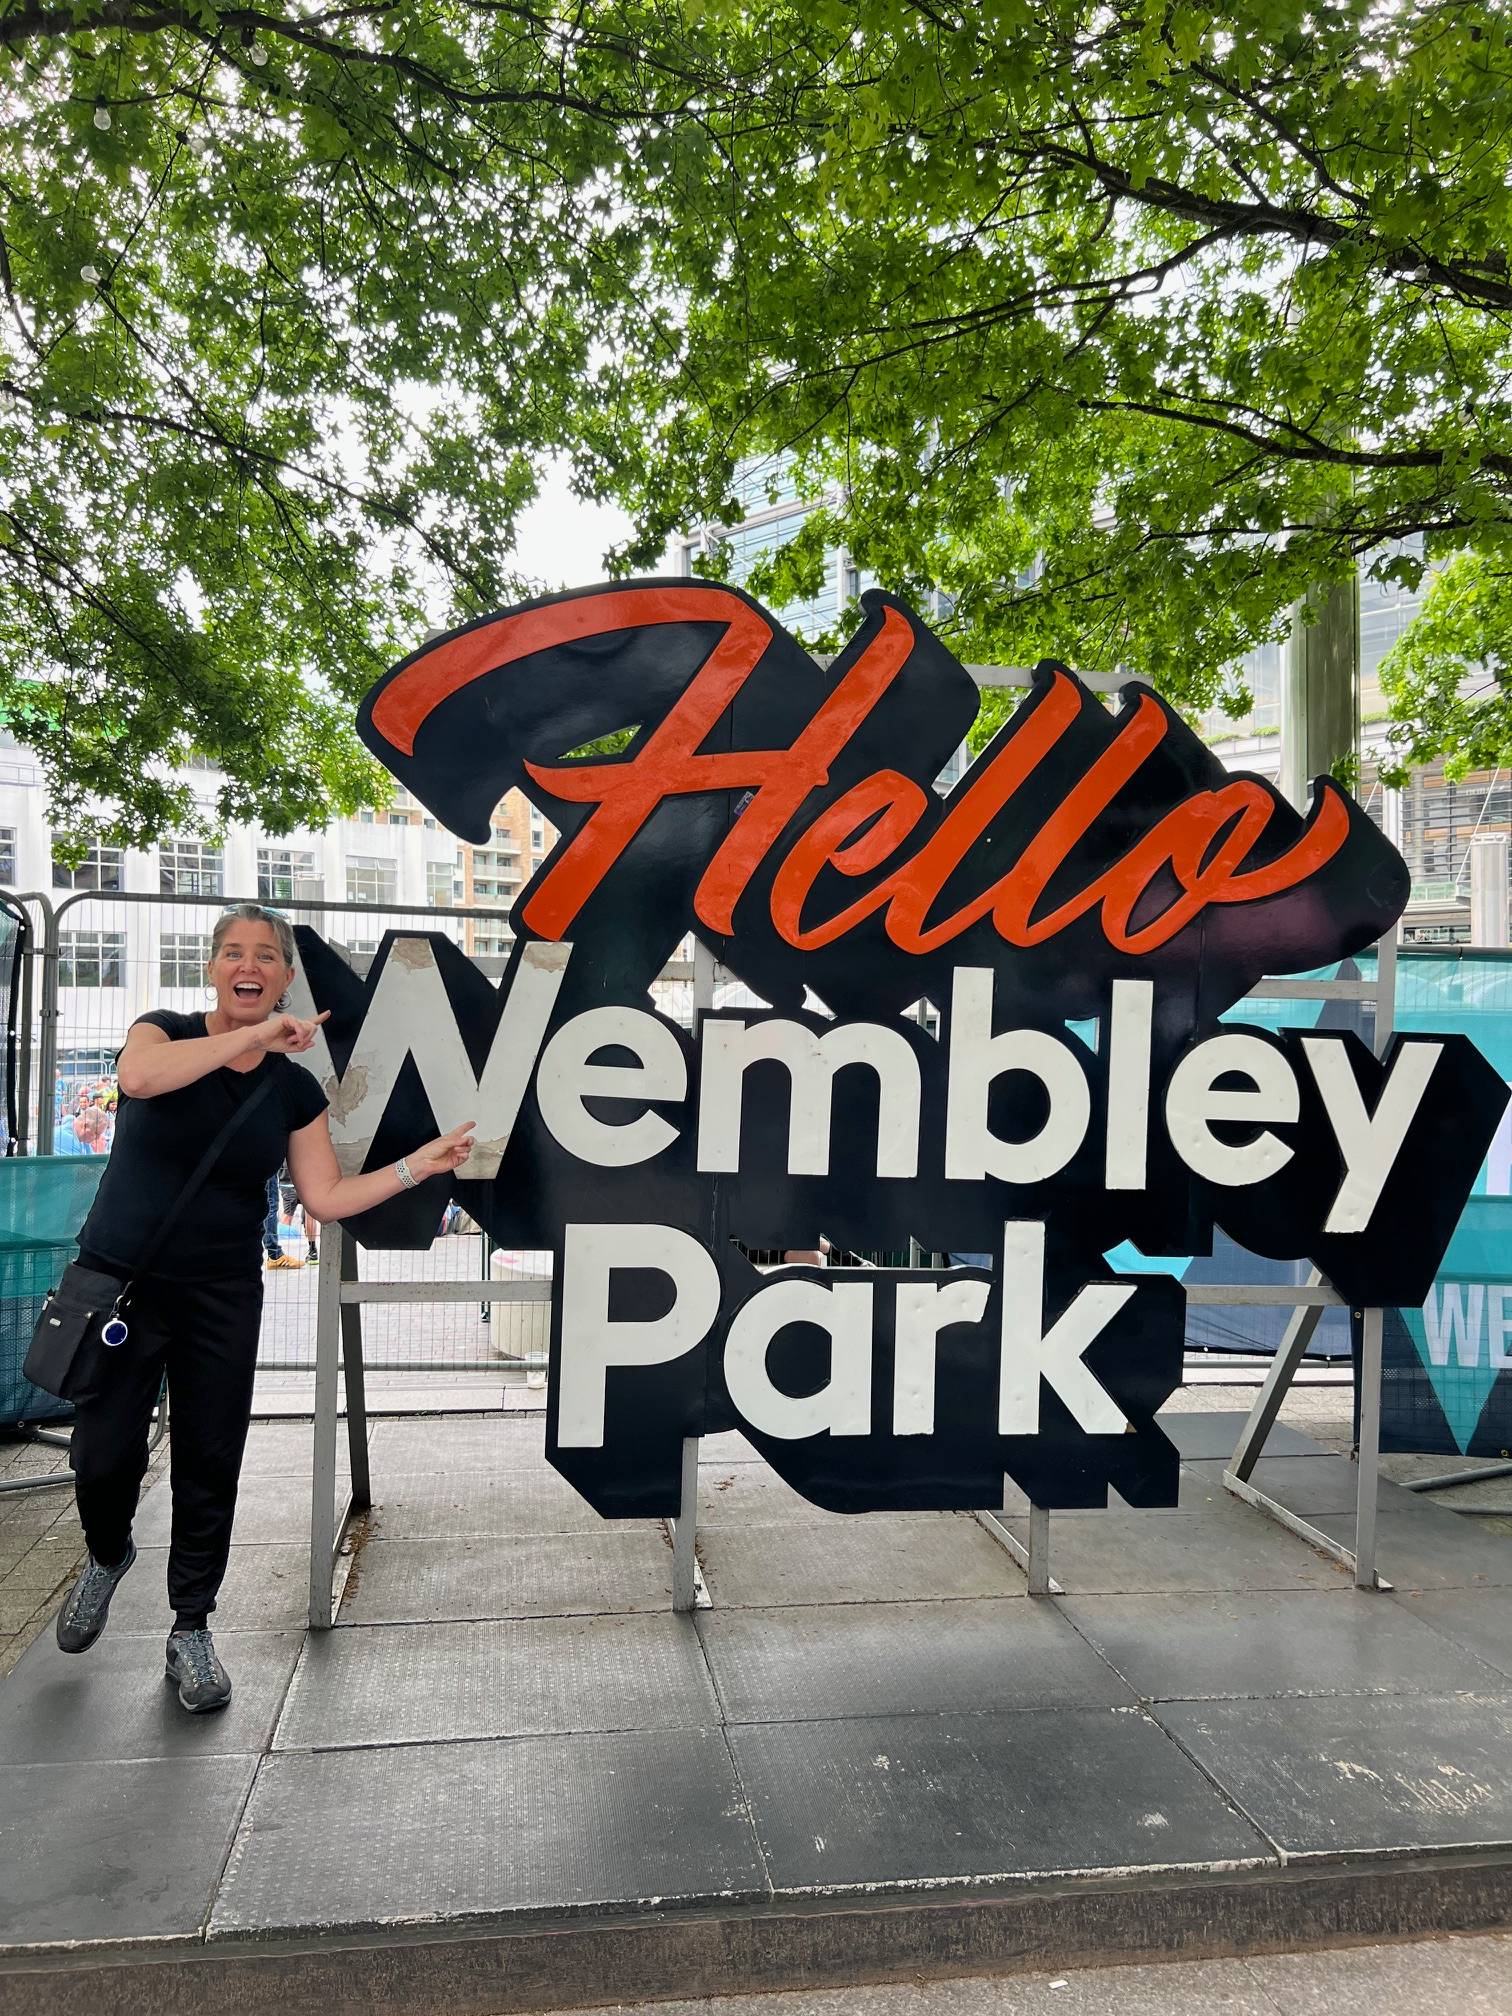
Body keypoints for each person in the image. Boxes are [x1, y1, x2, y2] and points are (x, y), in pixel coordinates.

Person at [54, 903, 474, 1712]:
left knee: (211, 1460)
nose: (249, 966)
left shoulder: (293, 1090)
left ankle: (191, 1628)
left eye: (266, 956)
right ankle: (107, 1554)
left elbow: (324, 1195)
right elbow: (138, 1080)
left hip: (221, 1291)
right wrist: (251, 1037)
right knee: (102, 1457)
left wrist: (419, 1166)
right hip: (123, 1281)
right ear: (214, 969)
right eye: (233, 953)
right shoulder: (162, 1031)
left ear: (284, 976)